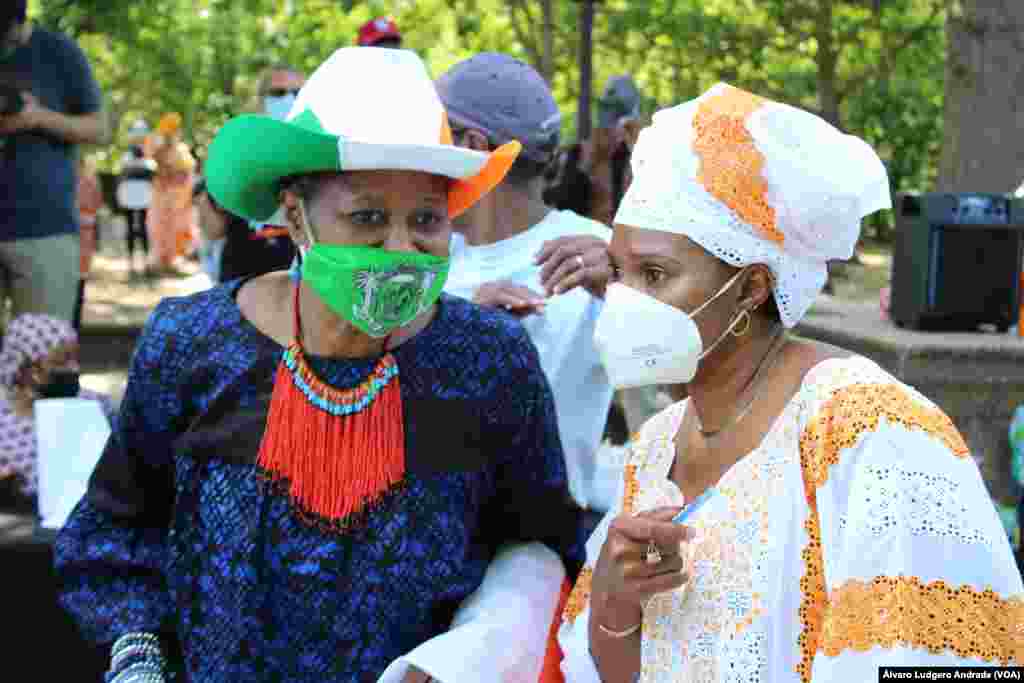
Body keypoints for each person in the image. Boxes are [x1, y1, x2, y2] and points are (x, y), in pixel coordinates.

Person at [56, 47, 583, 683]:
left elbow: (541, 541)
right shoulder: (191, 343)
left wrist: (465, 657)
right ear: (296, 215)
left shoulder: (492, 360)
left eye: (426, 220)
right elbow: (114, 535)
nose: (400, 247)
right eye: (367, 217)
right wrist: (137, 656)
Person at [557, 83, 1024, 681]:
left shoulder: (873, 433)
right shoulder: (656, 446)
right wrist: (615, 609)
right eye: (620, 272)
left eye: (655, 274)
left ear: (751, 287)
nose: (626, 301)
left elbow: (935, 664)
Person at [436, 53, 617, 515]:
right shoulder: (422, 249)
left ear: (472, 145)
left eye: (431, 137)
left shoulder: (595, 255)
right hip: (425, 527)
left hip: (538, 539)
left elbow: (682, 381)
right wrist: (458, 325)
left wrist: (630, 293)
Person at [0, 0, 108, 325]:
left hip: (44, 231)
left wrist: (37, 119)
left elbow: (100, 129)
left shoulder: (60, 52)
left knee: (42, 361)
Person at [0, 313, 114, 511]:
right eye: (61, 362)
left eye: (75, 358)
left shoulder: (95, 407)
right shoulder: (4, 420)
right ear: (29, 370)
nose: (74, 368)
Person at [146, 112, 198, 273]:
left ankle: (174, 260)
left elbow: (187, 174)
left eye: (172, 132)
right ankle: (160, 260)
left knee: (178, 229)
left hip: (178, 201)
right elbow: (154, 171)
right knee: (159, 227)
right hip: (161, 199)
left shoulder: (181, 150)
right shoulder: (156, 149)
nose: (169, 136)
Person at [74, 156, 104, 330]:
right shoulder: (91, 180)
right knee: (80, 282)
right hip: (85, 231)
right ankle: (74, 326)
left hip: (77, 232)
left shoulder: (69, 180)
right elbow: (98, 203)